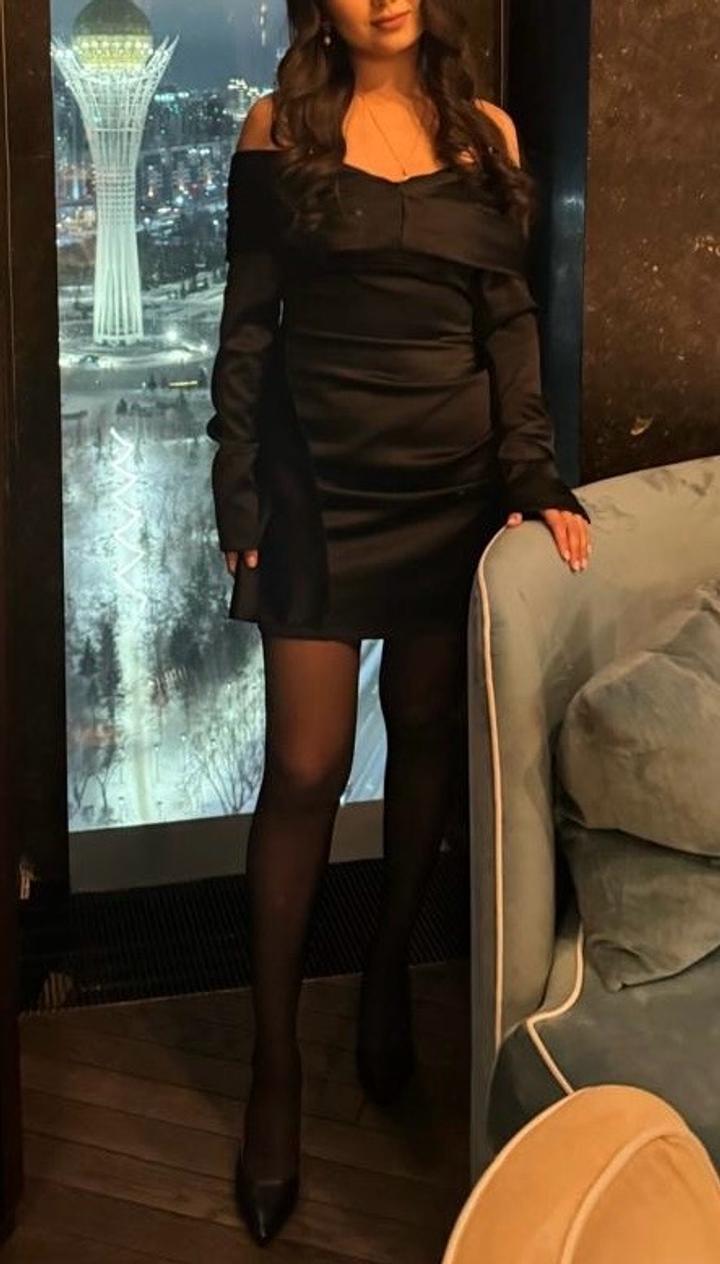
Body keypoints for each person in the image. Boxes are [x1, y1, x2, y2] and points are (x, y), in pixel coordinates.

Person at [206, 0, 593, 1246]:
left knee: (427, 734)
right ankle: (276, 1071)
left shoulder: (488, 133)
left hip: (453, 491)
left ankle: (383, 982)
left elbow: (509, 325)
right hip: (316, 491)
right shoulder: (278, 127)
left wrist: (532, 476)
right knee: (305, 765)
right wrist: (235, 485)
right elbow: (249, 322)